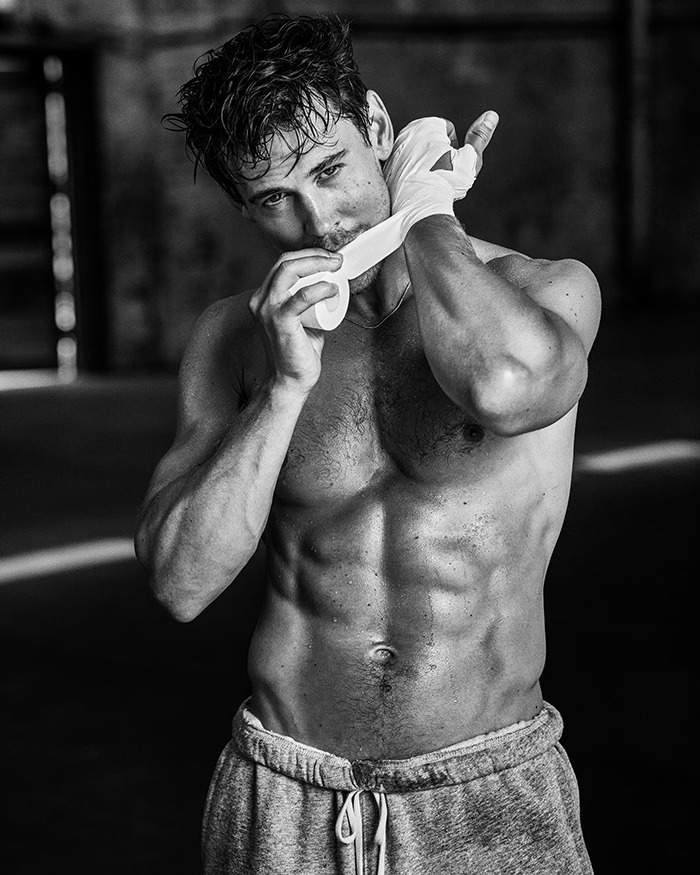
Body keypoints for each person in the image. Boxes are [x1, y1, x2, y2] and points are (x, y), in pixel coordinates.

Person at [136, 13, 600, 875]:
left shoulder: (541, 290)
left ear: (379, 131)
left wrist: (426, 209)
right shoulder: (231, 339)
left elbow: (506, 387)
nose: (321, 221)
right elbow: (180, 581)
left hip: (484, 788)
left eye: (331, 169)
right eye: (275, 198)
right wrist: (282, 389)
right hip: (284, 787)